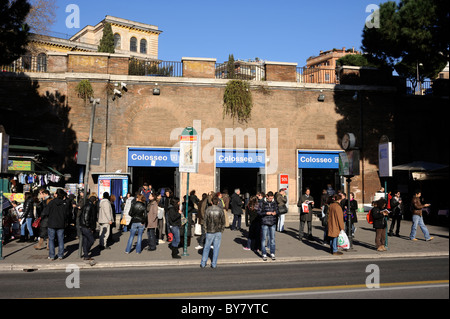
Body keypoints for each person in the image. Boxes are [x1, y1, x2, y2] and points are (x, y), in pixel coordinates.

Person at [200, 196, 226, 269]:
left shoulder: (208, 210)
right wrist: (222, 230)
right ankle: (214, 263)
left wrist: (205, 230)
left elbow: (205, 221)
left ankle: (203, 263)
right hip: (218, 231)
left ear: (211, 202)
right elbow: (223, 222)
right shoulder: (220, 210)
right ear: (218, 202)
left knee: (206, 247)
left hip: (209, 231)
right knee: (216, 248)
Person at [47, 189, 69, 260]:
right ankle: (60, 255)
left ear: (56, 194)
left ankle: (52, 255)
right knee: (61, 240)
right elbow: (67, 214)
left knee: (51, 240)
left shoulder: (51, 202)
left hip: (51, 223)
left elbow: (46, 212)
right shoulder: (64, 203)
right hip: (61, 223)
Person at [257, 191, 279, 261]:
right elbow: (259, 212)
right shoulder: (262, 203)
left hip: (272, 222)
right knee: (263, 239)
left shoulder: (274, 202)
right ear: (267, 197)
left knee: (272, 239)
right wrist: (266, 213)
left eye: (272, 198)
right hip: (265, 222)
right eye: (270, 198)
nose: (271, 200)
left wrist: (276, 212)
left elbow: (278, 210)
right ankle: (264, 253)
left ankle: (272, 253)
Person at [79, 196, 98, 261]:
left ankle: (86, 255)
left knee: (85, 240)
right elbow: (86, 217)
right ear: (94, 201)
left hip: (83, 225)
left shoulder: (86, 205)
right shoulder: (89, 206)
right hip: (86, 226)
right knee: (91, 240)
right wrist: (89, 226)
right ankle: (86, 252)